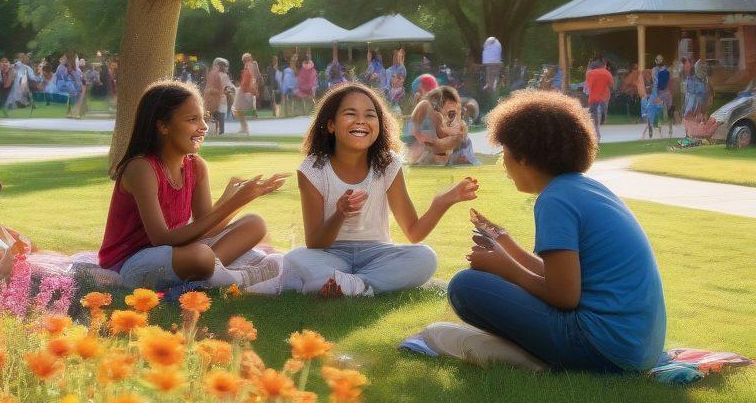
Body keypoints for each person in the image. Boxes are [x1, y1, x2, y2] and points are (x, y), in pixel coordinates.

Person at [446, 92, 666, 372]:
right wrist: (506, 244)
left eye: (505, 152)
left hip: (603, 349)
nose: (504, 164)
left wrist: (504, 268)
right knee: (476, 285)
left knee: (465, 286)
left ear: (524, 157)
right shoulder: (582, 188)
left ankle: (541, 360)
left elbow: (564, 296)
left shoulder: (554, 200)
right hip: (635, 351)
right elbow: (564, 280)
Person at [282, 83, 476, 296]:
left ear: (379, 124)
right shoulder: (313, 168)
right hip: (330, 254)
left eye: (369, 115)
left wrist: (442, 202)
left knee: (425, 257)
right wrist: (340, 214)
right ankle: (355, 283)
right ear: (331, 125)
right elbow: (315, 242)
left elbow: (414, 232)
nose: (361, 121)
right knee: (294, 259)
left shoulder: (388, 164)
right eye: (350, 113)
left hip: (377, 254)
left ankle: (357, 284)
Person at [98, 81, 287, 290]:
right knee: (201, 256)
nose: (204, 127)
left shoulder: (196, 166)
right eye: (192, 119)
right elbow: (161, 238)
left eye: (203, 118)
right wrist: (230, 204)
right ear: (163, 126)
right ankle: (230, 279)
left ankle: (207, 276)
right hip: (131, 264)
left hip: (177, 254)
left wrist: (241, 199)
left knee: (254, 223)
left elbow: (206, 228)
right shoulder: (141, 168)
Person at [583, 57, 613, 142]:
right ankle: (604, 116)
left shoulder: (590, 74)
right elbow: (611, 84)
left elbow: (588, 86)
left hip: (593, 98)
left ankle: (597, 135)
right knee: (603, 108)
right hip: (604, 96)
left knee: (594, 116)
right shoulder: (607, 73)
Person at [203, 58, 230, 136]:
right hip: (216, 97)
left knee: (216, 114)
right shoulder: (216, 74)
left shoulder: (216, 74)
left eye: (225, 66)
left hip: (217, 97)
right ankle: (220, 131)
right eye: (222, 65)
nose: (224, 67)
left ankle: (218, 131)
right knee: (218, 114)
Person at [233, 52, 258, 135]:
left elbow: (250, 79)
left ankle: (245, 128)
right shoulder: (248, 67)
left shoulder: (250, 66)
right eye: (244, 60)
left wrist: (244, 88)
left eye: (247, 59)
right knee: (239, 110)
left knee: (239, 110)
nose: (245, 61)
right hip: (244, 90)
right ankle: (244, 127)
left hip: (245, 91)